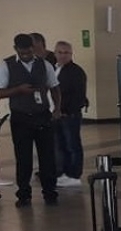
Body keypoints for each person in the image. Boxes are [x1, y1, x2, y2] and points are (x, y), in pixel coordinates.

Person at [0, 33, 62, 207]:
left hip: (42, 115)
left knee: (47, 157)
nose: (26, 55)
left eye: (28, 52)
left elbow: (55, 88)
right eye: (22, 53)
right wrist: (18, 90)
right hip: (20, 118)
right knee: (23, 158)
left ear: (33, 49)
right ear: (15, 49)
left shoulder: (45, 65)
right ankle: (24, 194)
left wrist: (56, 108)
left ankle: (50, 192)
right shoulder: (6, 65)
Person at [53, 41, 87, 188]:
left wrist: (66, 111)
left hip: (69, 115)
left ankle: (74, 174)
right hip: (55, 114)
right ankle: (62, 172)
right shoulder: (55, 69)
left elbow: (78, 96)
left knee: (72, 144)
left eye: (66, 53)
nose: (63, 55)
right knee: (59, 145)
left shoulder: (76, 71)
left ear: (71, 54)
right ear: (55, 53)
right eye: (60, 52)